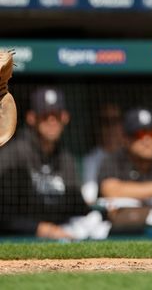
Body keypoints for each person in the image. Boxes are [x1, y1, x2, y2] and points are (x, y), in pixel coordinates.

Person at [0, 87, 89, 239]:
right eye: (45, 115)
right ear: (31, 118)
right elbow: (3, 213)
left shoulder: (66, 158)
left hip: (61, 232)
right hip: (16, 238)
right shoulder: (14, 154)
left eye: (57, 115)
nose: (52, 121)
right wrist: (40, 229)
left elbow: (78, 207)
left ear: (65, 117)